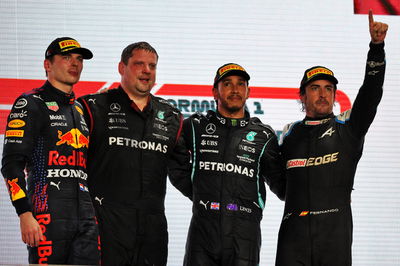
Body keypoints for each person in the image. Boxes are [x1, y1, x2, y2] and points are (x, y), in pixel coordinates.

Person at [275, 11, 388, 266]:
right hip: (293, 238)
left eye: (329, 88)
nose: (323, 94)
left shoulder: (348, 127)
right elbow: (278, 183)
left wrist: (376, 50)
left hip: (334, 237)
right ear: (302, 96)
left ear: (335, 95)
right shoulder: (288, 135)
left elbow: (370, 94)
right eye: (315, 88)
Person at [78, 41, 191, 266]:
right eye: (139, 64)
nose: (147, 70)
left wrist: (214, 198)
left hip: (152, 229)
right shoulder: (92, 107)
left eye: (152, 65)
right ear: (122, 67)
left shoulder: (171, 116)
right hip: (104, 224)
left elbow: (182, 172)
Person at [1, 37, 100, 265]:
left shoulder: (80, 109)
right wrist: (24, 213)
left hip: (85, 218)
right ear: (48, 64)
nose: (74, 64)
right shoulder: (30, 103)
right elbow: (11, 164)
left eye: (79, 59)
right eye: (66, 58)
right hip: (47, 215)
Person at [182, 63, 285, 266]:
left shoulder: (264, 135)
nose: (235, 89)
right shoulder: (195, 127)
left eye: (241, 84)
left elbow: (282, 186)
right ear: (215, 92)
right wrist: (199, 192)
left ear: (248, 92)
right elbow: (170, 160)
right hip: (203, 231)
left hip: (245, 234)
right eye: (227, 84)